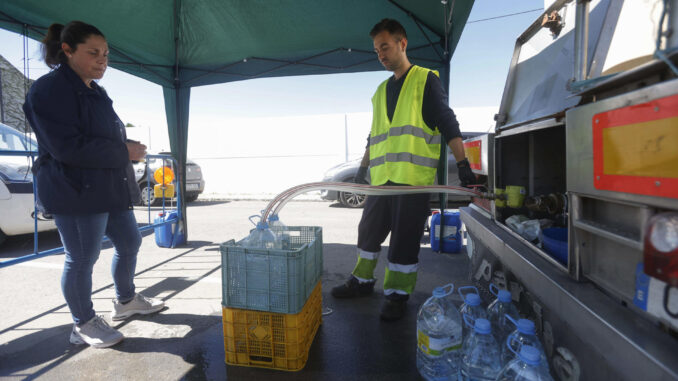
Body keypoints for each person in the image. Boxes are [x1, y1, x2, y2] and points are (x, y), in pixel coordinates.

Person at [23, 21, 165, 348]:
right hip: (73, 189)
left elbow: (97, 135)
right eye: (93, 53)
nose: (103, 60)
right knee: (82, 258)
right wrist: (122, 151)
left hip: (106, 186)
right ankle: (82, 323)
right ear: (67, 51)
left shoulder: (94, 89)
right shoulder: (48, 89)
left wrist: (124, 144)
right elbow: (66, 147)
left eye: (105, 54)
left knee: (130, 242)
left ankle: (126, 301)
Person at [331, 19, 476, 321]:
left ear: (402, 43)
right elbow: (375, 134)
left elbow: (448, 123)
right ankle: (363, 281)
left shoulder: (425, 80)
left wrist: (463, 163)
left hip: (412, 181)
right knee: (367, 232)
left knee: (404, 240)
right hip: (381, 180)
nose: (380, 54)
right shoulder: (380, 91)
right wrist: (362, 167)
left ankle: (397, 295)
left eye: (385, 46)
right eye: (376, 50)